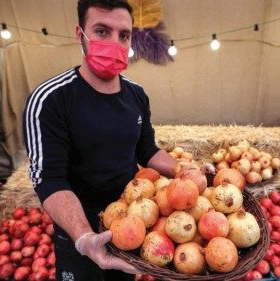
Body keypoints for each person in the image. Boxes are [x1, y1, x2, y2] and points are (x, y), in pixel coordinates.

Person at [22, 0, 178, 280]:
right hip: (78, 233)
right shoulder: (50, 99)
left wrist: (186, 173)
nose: (115, 43)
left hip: (131, 224)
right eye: (102, 32)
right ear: (79, 34)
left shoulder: (137, 95)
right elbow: (49, 178)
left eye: (124, 35)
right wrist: (84, 236)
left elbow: (147, 151)